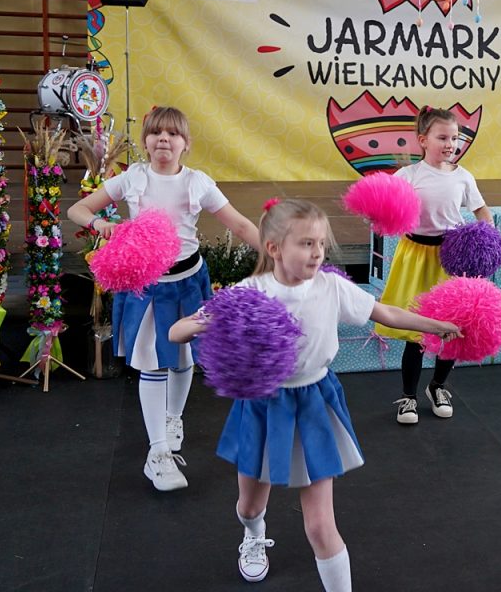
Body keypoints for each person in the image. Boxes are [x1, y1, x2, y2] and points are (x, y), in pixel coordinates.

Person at [169, 199, 460, 589]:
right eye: (306, 243)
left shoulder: (332, 287)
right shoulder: (250, 293)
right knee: (249, 506)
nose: (318, 252)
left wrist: (436, 324)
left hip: (314, 403)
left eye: (321, 243)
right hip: (263, 404)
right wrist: (203, 324)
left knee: (321, 526)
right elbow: (176, 332)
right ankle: (254, 534)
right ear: (274, 248)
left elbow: (387, 313)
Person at [66, 106, 259, 492]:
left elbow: (239, 224)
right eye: (156, 133)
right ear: (146, 142)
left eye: (173, 134)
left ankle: (173, 418)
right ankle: (157, 453)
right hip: (147, 286)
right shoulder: (132, 178)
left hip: (189, 283)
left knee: (183, 358)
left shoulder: (198, 182)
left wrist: (277, 256)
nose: (164, 140)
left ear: (186, 144)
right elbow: (77, 209)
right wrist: (101, 224)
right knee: (153, 365)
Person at [375, 106, 492, 425]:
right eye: (442, 138)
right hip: (415, 257)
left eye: (454, 138)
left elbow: (482, 210)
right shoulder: (407, 176)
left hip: (451, 258)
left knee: (451, 328)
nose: (450, 144)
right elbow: (385, 209)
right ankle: (408, 396)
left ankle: (438, 386)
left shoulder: (463, 177)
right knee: (416, 330)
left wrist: (487, 237)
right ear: (423, 140)